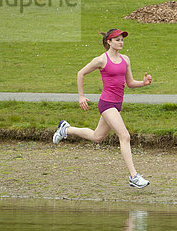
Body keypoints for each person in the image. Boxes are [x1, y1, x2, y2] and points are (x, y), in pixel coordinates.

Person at [53, 28, 152, 189]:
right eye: (117, 39)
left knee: (97, 137)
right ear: (109, 42)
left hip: (117, 105)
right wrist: (81, 96)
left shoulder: (125, 59)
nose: (121, 42)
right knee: (124, 136)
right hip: (107, 104)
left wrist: (143, 83)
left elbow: (130, 83)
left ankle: (66, 129)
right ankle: (134, 176)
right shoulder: (101, 60)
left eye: (122, 39)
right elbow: (81, 73)